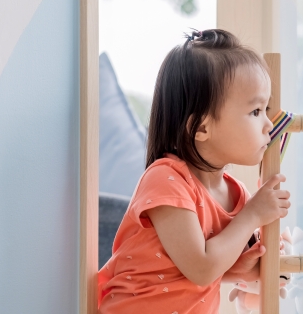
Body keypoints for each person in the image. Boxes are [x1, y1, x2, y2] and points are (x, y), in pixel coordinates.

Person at [98, 29, 291, 313]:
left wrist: (246, 268)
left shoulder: (235, 193)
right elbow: (201, 267)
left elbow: (202, 272)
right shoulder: (165, 180)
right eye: (255, 112)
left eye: (265, 109)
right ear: (201, 128)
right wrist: (252, 216)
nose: (268, 125)